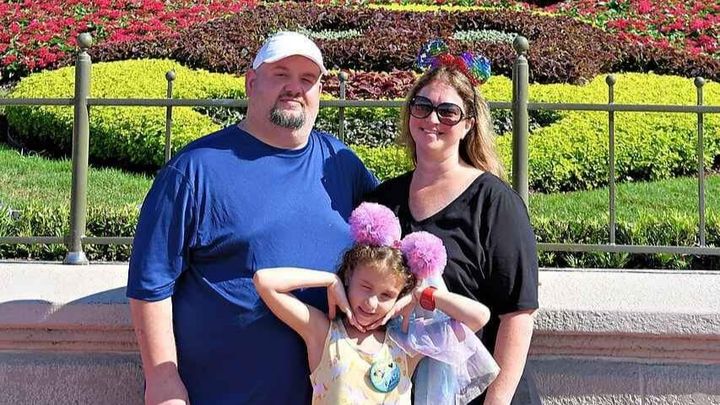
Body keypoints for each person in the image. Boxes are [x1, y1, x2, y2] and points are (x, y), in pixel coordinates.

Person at [126, 31, 378, 404]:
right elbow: (151, 283)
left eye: (307, 79)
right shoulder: (195, 170)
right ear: (251, 82)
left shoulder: (339, 164)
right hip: (224, 394)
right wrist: (162, 380)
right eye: (281, 74)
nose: (295, 88)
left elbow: (389, 245)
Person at [366, 40, 541, 404]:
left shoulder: (494, 202)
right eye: (422, 107)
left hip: (479, 393)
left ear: (468, 125)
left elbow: (518, 312)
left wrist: (496, 401)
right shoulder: (384, 201)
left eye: (448, 112)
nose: (432, 120)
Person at [253, 202, 493, 405]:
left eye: (386, 295)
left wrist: (421, 294)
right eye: (365, 287)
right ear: (349, 277)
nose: (371, 302)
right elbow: (264, 281)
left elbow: (479, 317)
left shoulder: (407, 343)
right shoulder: (323, 334)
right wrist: (330, 281)